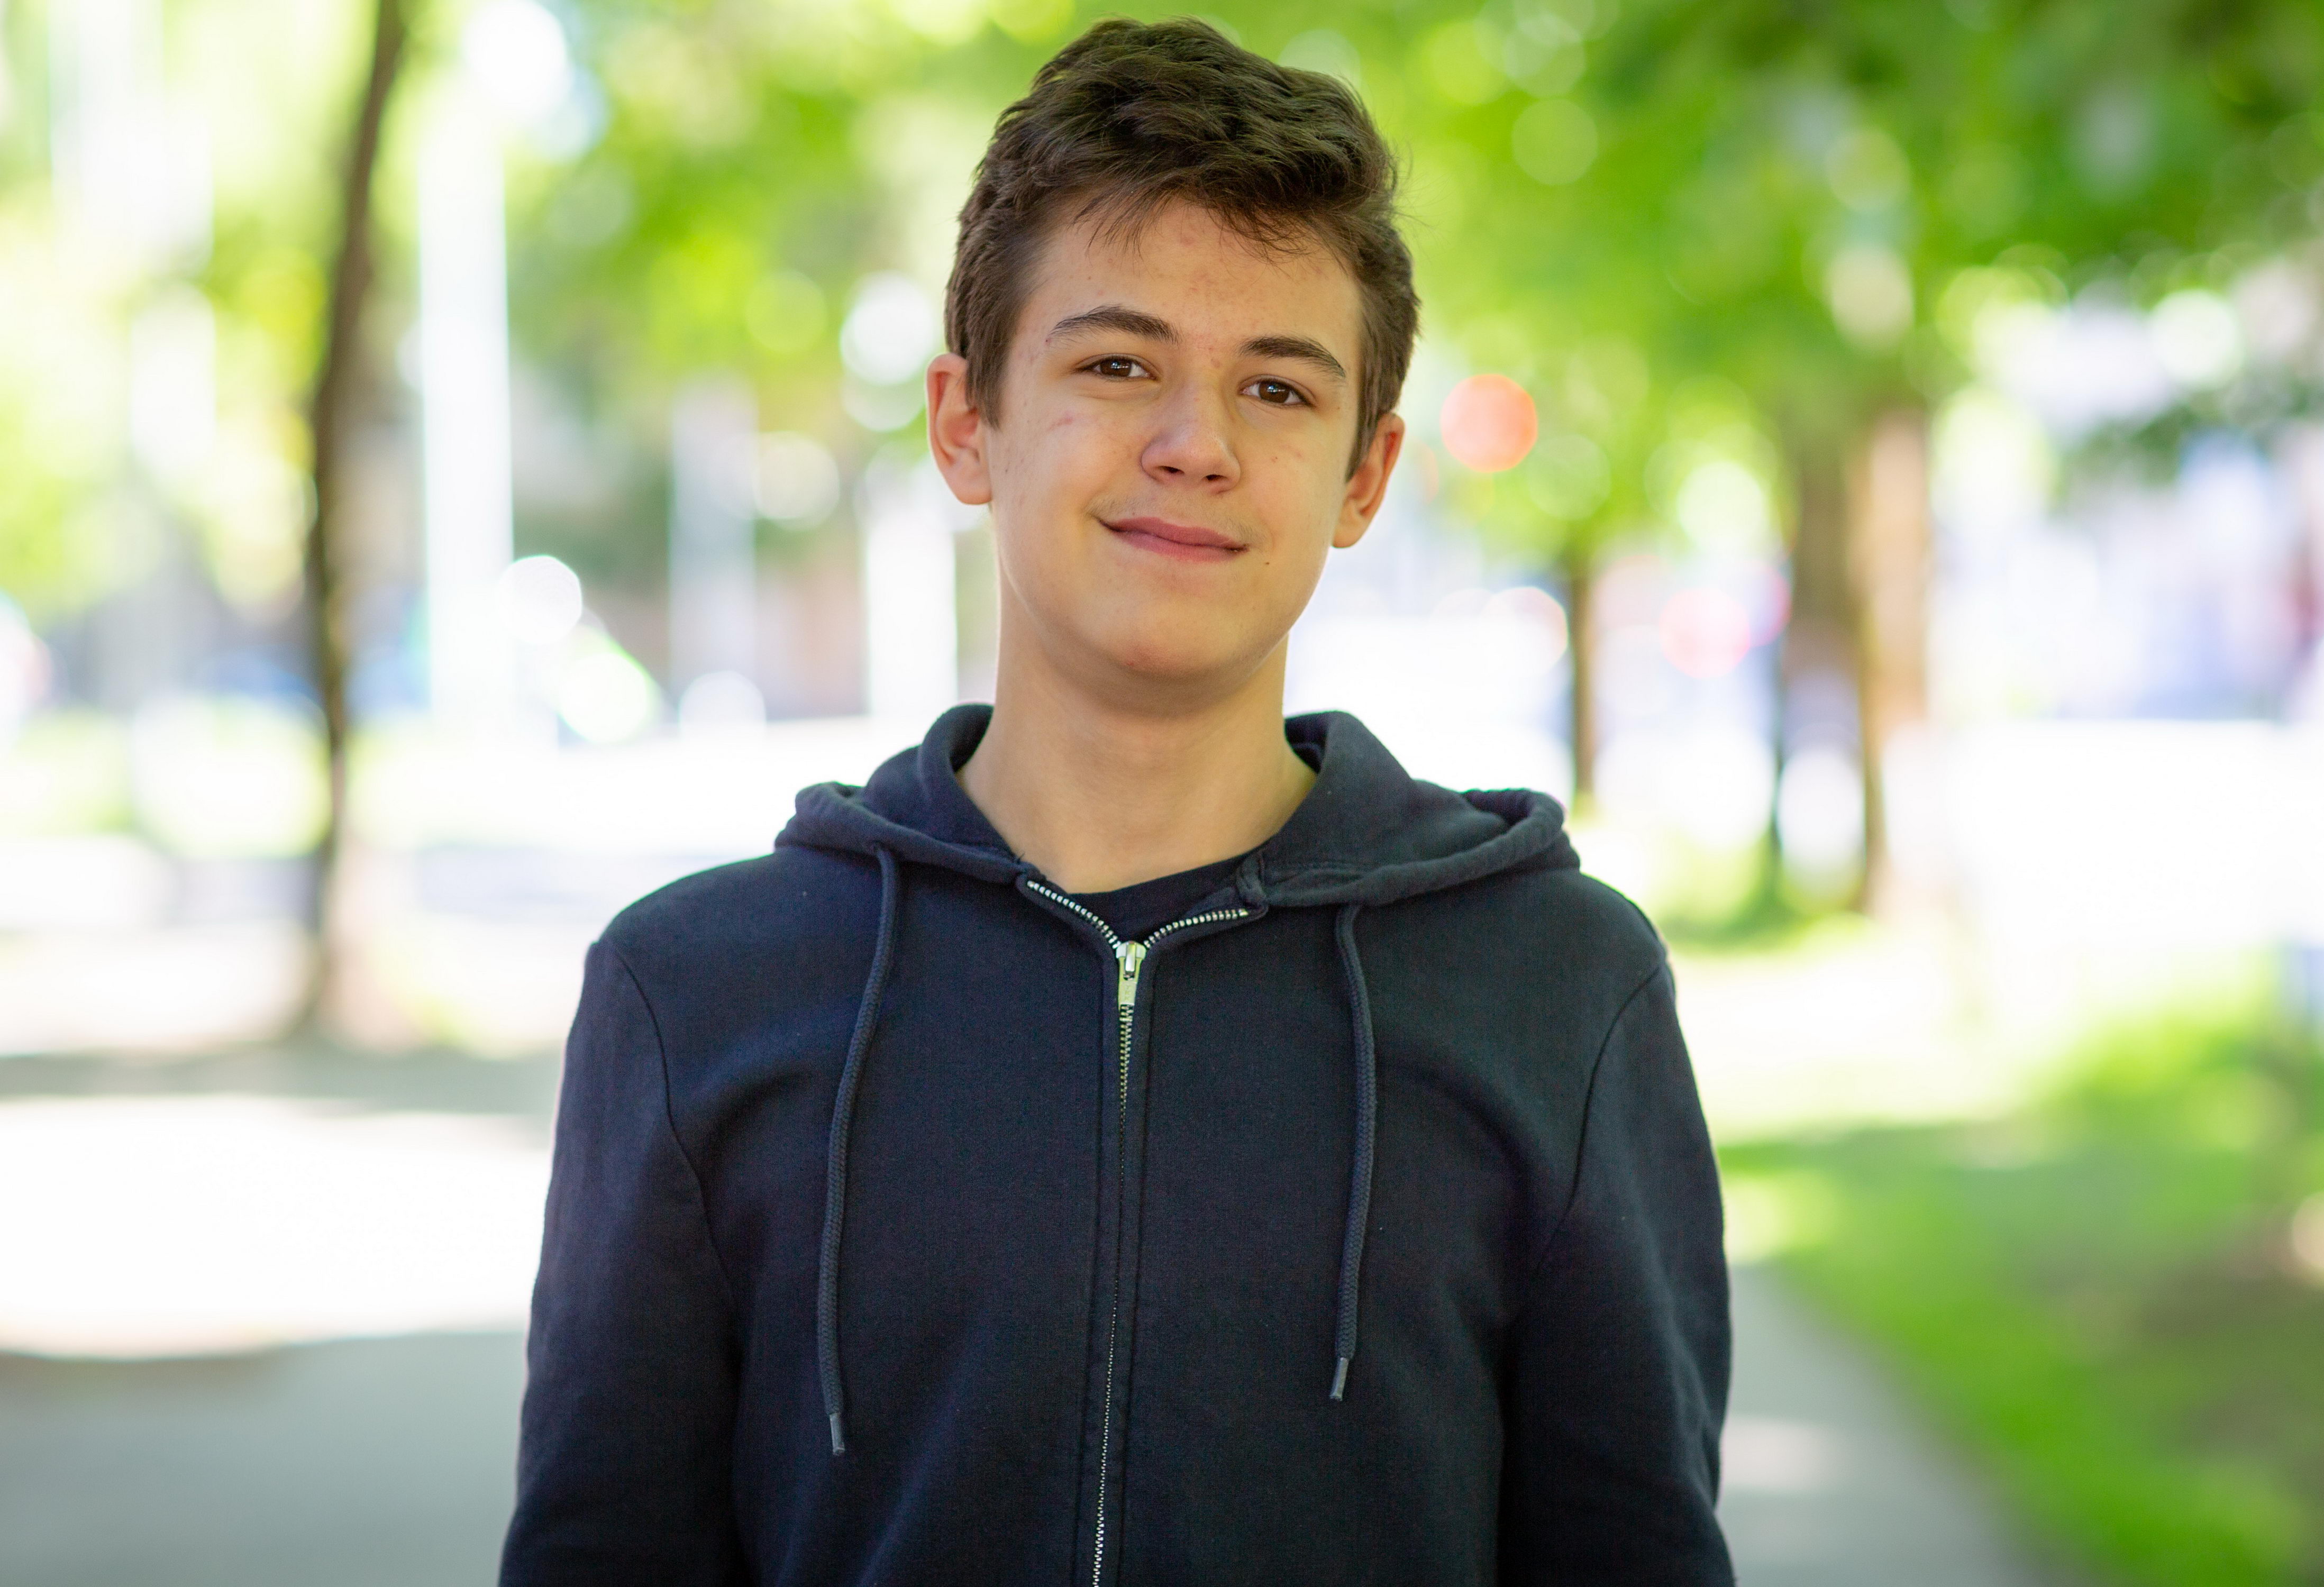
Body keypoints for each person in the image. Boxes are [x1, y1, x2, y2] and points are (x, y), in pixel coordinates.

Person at [500, 17, 1731, 1585]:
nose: (1195, 444)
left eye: (1277, 388)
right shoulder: (694, 993)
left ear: (1364, 477)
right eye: (1116, 364)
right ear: (967, 423)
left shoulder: (1557, 987)